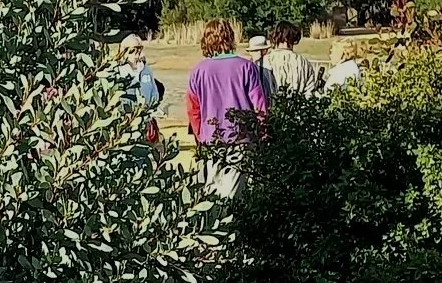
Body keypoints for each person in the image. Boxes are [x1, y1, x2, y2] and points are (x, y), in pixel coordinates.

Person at [185, 20, 270, 196]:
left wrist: (200, 135)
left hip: (212, 140)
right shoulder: (246, 67)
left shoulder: (198, 71)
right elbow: (259, 105)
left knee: (213, 191)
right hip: (241, 139)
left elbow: (193, 109)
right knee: (235, 194)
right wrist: (263, 132)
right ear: (230, 37)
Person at [119, 33, 164, 139]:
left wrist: (151, 109)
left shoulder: (146, 70)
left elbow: (154, 92)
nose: (137, 54)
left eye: (139, 49)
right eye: (133, 50)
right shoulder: (119, 71)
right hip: (125, 121)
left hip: (145, 119)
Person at [262, 24, 323, 96]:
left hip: (271, 101)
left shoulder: (266, 60)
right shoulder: (304, 62)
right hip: (298, 101)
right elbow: (310, 91)